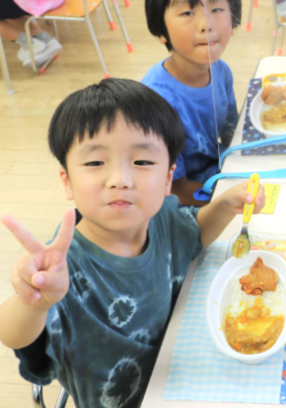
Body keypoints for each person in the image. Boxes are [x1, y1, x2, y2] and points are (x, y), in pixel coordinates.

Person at [0, 78, 265, 408]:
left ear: (168, 178)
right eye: (96, 163)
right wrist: (32, 299)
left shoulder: (162, 216)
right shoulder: (63, 268)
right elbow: (14, 335)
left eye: (142, 162)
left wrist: (224, 205)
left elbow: (194, 234)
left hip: (177, 371)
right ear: (67, 182)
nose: (121, 179)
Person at [143, 0, 241, 206]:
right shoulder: (157, 104)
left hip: (221, 177)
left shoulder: (221, 71)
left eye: (217, 9)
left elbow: (231, 133)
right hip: (188, 202)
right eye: (187, 12)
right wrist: (233, 197)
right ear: (161, 30)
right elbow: (177, 191)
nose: (206, 24)